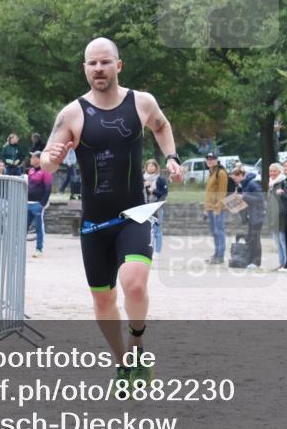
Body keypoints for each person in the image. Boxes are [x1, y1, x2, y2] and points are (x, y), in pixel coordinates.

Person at [39, 37, 183, 391]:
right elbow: (45, 158)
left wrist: (172, 158)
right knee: (103, 299)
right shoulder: (72, 113)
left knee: (134, 282)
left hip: (134, 213)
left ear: (119, 65)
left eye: (105, 62)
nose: (99, 69)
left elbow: (162, 126)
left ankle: (136, 344)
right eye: (92, 63)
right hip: (93, 222)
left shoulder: (141, 102)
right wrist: (53, 158)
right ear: (85, 68)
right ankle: (122, 365)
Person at [232, 164, 265, 269]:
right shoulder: (243, 185)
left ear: (241, 175)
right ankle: (250, 260)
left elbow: (260, 198)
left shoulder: (252, 183)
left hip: (257, 217)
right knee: (251, 239)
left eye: (236, 178)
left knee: (255, 239)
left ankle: (256, 262)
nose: (235, 180)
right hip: (251, 217)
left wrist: (243, 196)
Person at [203, 152, 229, 265]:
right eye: (208, 159)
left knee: (219, 231)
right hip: (210, 208)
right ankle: (216, 254)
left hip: (217, 208)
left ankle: (220, 256)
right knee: (214, 232)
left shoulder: (221, 172)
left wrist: (218, 209)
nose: (210, 161)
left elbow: (222, 192)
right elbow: (210, 193)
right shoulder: (211, 172)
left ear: (216, 160)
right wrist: (206, 208)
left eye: (212, 159)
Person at [26, 151, 53, 257]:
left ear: (38, 159)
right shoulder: (31, 170)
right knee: (24, 227)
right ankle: (18, 248)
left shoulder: (46, 171)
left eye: (32, 157)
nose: (30, 159)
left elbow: (48, 188)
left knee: (39, 228)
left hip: (37, 204)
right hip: (28, 203)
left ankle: (39, 249)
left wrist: (42, 204)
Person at [143, 159, 168, 256]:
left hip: (157, 207)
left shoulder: (160, 179)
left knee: (157, 230)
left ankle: (157, 251)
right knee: (147, 230)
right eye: (149, 166)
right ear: (146, 167)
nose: (151, 167)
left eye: (153, 166)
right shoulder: (143, 178)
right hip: (145, 207)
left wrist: (154, 191)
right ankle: (148, 250)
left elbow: (164, 194)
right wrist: (144, 186)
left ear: (156, 167)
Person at [266, 162, 287, 269]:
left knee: (283, 241)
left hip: (281, 217)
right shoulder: (270, 183)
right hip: (272, 217)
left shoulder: (283, 182)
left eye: (274, 171)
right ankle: (281, 263)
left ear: (279, 171)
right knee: (277, 242)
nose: (272, 173)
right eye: (270, 171)